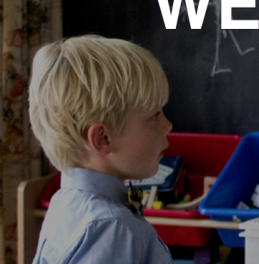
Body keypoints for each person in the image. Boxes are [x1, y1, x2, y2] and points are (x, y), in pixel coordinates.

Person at [28, 35, 174, 264]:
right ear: (103, 137)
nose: (168, 126)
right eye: (154, 116)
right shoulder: (110, 226)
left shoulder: (66, 203)